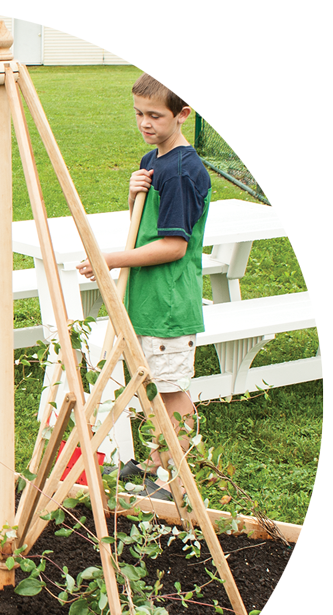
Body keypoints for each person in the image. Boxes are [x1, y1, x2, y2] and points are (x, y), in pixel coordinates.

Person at [76, 64, 211, 499]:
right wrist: (134, 192)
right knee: (149, 386)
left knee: (170, 393)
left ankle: (181, 478)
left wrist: (109, 258)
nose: (145, 124)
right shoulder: (153, 161)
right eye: (139, 114)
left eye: (155, 116)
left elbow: (173, 245)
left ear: (182, 114)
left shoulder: (184, 172)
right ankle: (156, 464)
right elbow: (148, 224)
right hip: (145, 300)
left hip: (168, 304)